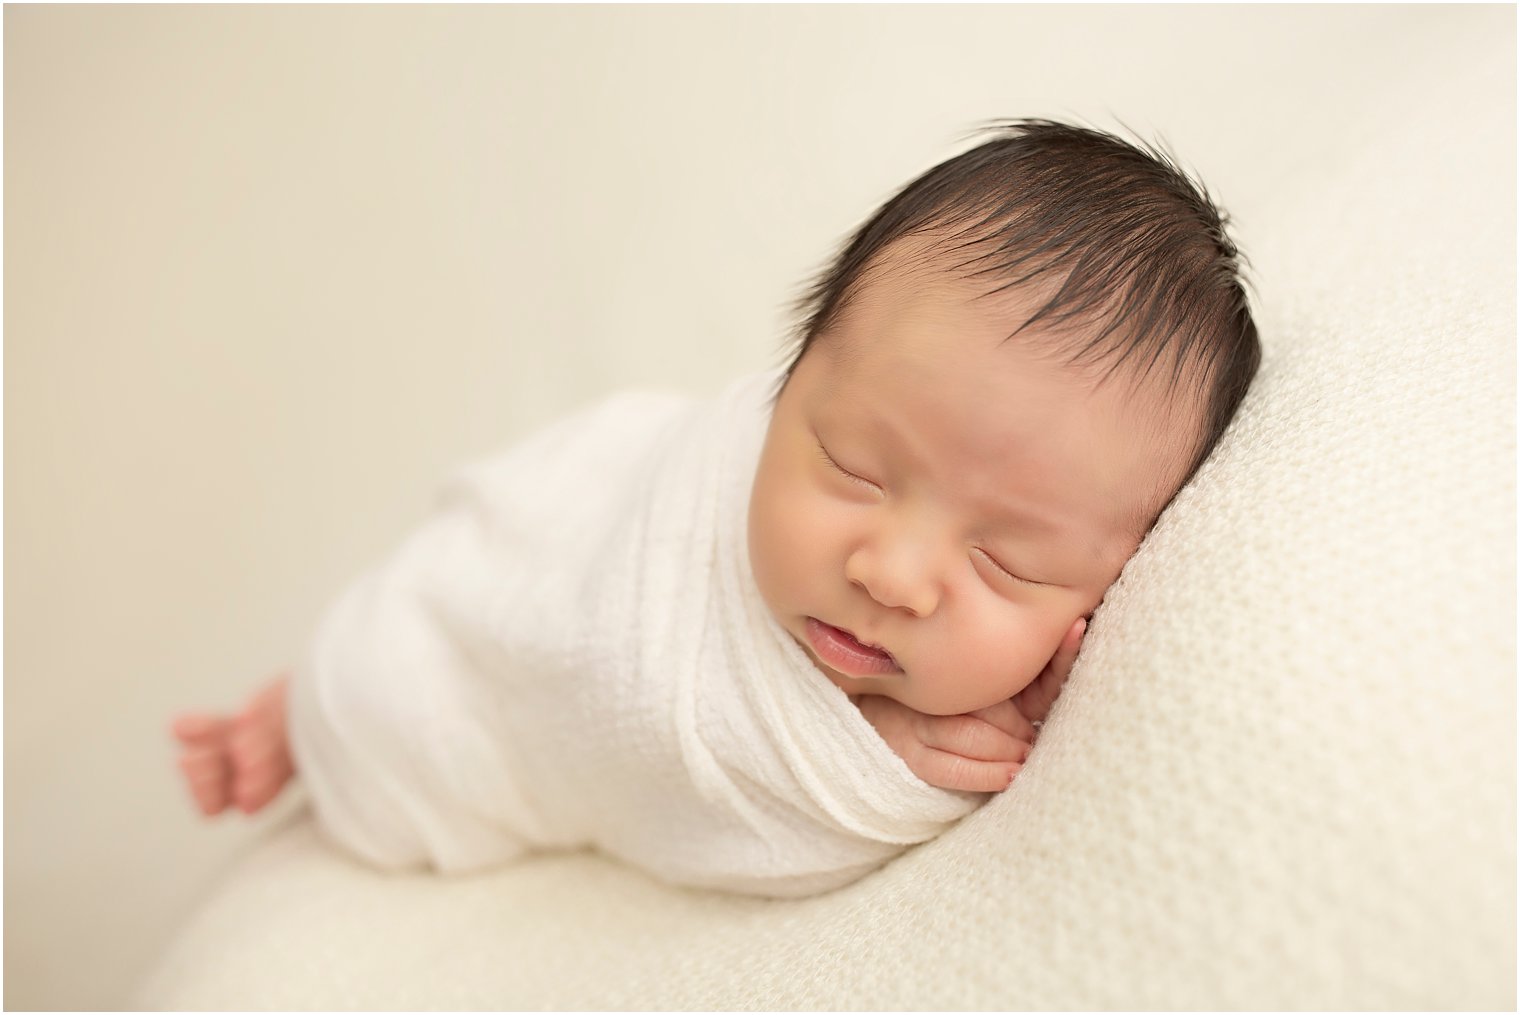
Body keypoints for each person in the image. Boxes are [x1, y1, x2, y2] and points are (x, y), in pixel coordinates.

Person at [171, 120, 1260, 895]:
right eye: (852, 466)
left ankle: (308, 714)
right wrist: (875, 744)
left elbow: (700, 808)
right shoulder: (695, 494)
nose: (889, 572)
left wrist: (871, 768)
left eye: (1005, 564)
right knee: (396, 672)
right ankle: (314, 709)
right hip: (538, 569)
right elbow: (621, 704)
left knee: (373, 689)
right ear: (791, 384)